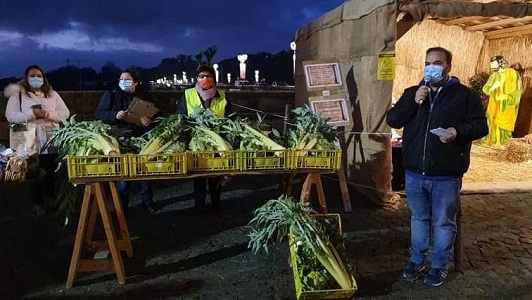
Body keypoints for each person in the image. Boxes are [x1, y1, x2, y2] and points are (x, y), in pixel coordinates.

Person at [386, 47, 488, 287]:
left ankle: (439, 265)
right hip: (414, 173)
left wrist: (457, 132)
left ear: (448, 66)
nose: (431, 67)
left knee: (443, 222)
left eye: (437, 62)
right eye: (428, 62)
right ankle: (416, 260)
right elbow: (393, 120)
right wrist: (414, 101)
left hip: (446, 173)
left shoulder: (465, 96)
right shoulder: (413, 92)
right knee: (419, 219)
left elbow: (481, 127)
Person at [4, 65, 70, 209]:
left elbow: (65, 113)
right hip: (29, 139)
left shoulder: (52, 94)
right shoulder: (18, 95)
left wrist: (47, 115)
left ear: (44, 78)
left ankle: (51, 199)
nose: (36, 78)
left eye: (39, 76)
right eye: (32, 76)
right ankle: (38, 204)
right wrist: (32, 115)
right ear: (27, 78)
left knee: (51, 171)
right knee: (34, 172)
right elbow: (10, 116)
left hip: (50, 138)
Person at [95, 69, 157, 213]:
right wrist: (115, 115)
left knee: (145, 169)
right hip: (120, 136)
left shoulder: (145, 95)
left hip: (141, 135)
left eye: (127, 79)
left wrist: (149, 120)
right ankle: (122, 206)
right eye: (121, 79)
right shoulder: (111, 94)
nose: (124, 82)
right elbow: (99, 113)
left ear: (135, 82)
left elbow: (156, 113)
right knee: (124, 172)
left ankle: (147, 201)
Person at [176, 65, 232, 214]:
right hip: (197, 140)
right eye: (201, 76)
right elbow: (180, 115)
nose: (205, 79)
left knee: (216, 175)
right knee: (199, 176)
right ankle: (199, 208)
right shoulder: (188, 94)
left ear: (214, 78)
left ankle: (216, 207)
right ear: (197, 79)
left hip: (217, 140)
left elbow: (230, 117)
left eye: (208, 76)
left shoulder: (222, 95)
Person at [482, 55, 522, 146]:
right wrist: (493, 87)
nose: (491, 65)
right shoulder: (493, 76)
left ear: (500, 62)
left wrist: (506, 97)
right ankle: (491, 142)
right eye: (490, 63)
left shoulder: (513, 74)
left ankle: (502, 144)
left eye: (493, 63)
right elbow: (485, 89)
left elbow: (518, 91)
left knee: (504, 127)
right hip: (494, 106)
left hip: (507, 107)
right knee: (491, 123)